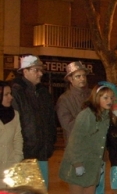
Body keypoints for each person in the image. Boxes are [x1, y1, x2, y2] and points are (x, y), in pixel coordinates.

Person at [58, 84, 114, 194]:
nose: (109, 101)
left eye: (111, 98)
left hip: (93, 163)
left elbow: (101, 142)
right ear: (96, 98)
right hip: (79, 163)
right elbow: (74, 141)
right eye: (105, 97)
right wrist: (77, 163)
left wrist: (102, 162)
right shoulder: (86, 115)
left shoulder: (105, 116)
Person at [11, 56, 57, 186]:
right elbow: (16, 124)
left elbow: (50, 120)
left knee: (41, 193)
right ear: (25, 71)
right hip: (25, 154)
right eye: (36, 70)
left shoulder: (43, 93)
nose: (40, 74)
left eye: (41, 70)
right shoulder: (17, 92)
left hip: (42, 151)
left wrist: (50, 141)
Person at [55, 61, 90, 144]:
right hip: (76, 146)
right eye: (78, 76)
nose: (82, 79)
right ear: (70, 79)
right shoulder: (64, 99)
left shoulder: (93, 94)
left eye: (84, 75)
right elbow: (68, 124)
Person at [0, 82, 23, 186]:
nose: (11, 97)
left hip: (10, 167)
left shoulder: (14, 115)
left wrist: (17, 157)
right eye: (6, 94)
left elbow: (18, 138)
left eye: (10, 93)